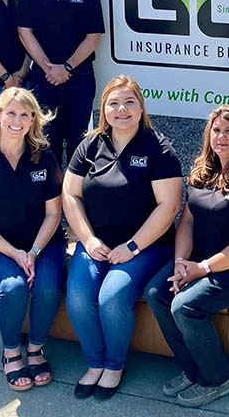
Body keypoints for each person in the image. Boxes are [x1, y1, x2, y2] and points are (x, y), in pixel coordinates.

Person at [145, 105, 229, 408]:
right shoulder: (202, 172)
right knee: (156, 292)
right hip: (200, 260)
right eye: (216, 130)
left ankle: (218, 377)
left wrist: (202, 269)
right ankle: (193, 369)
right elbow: (187, 221)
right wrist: (181, 263)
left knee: (185, 306)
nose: (220, 137)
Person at [63, 75, 182, 401]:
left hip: (146, 246)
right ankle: (95, 362)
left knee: (112, 297)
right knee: (77, 296)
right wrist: (87, 240)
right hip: (96, 245)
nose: (122, 109)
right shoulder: (90, 144)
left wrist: (132, 246)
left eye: (130, 102)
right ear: (104, 108)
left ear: (141, 107)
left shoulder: (158, 149)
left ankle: (114, 365)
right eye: (113, 103)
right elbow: (70, 194)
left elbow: (168, 206)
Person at [0, 87, 65, 392]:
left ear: (34, 119)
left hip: (43, 244)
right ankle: (10, 352)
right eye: (11, 113)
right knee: (13, 287)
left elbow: (53, 214)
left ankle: (35, 348)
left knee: (46, 287)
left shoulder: (43, 157)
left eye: (25, 114)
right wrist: (16, 254)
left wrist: (32, 251)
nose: (17, 120)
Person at [18, 0, 104, 165]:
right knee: (46, 143)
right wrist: (49, 69)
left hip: (80, 78)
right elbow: (24, 32)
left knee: (79, 143)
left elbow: (94, 35)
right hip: (42, 80)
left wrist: (65, 68)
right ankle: (52, 200)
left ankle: (76, 198)